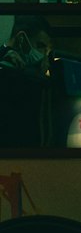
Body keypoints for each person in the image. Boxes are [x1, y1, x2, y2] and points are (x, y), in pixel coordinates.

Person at [0, 16, 54, 147]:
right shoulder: (11, 70)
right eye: (40, 46)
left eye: (47, 51)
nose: (43, 55)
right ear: (21, 39)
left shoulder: (34, 76)